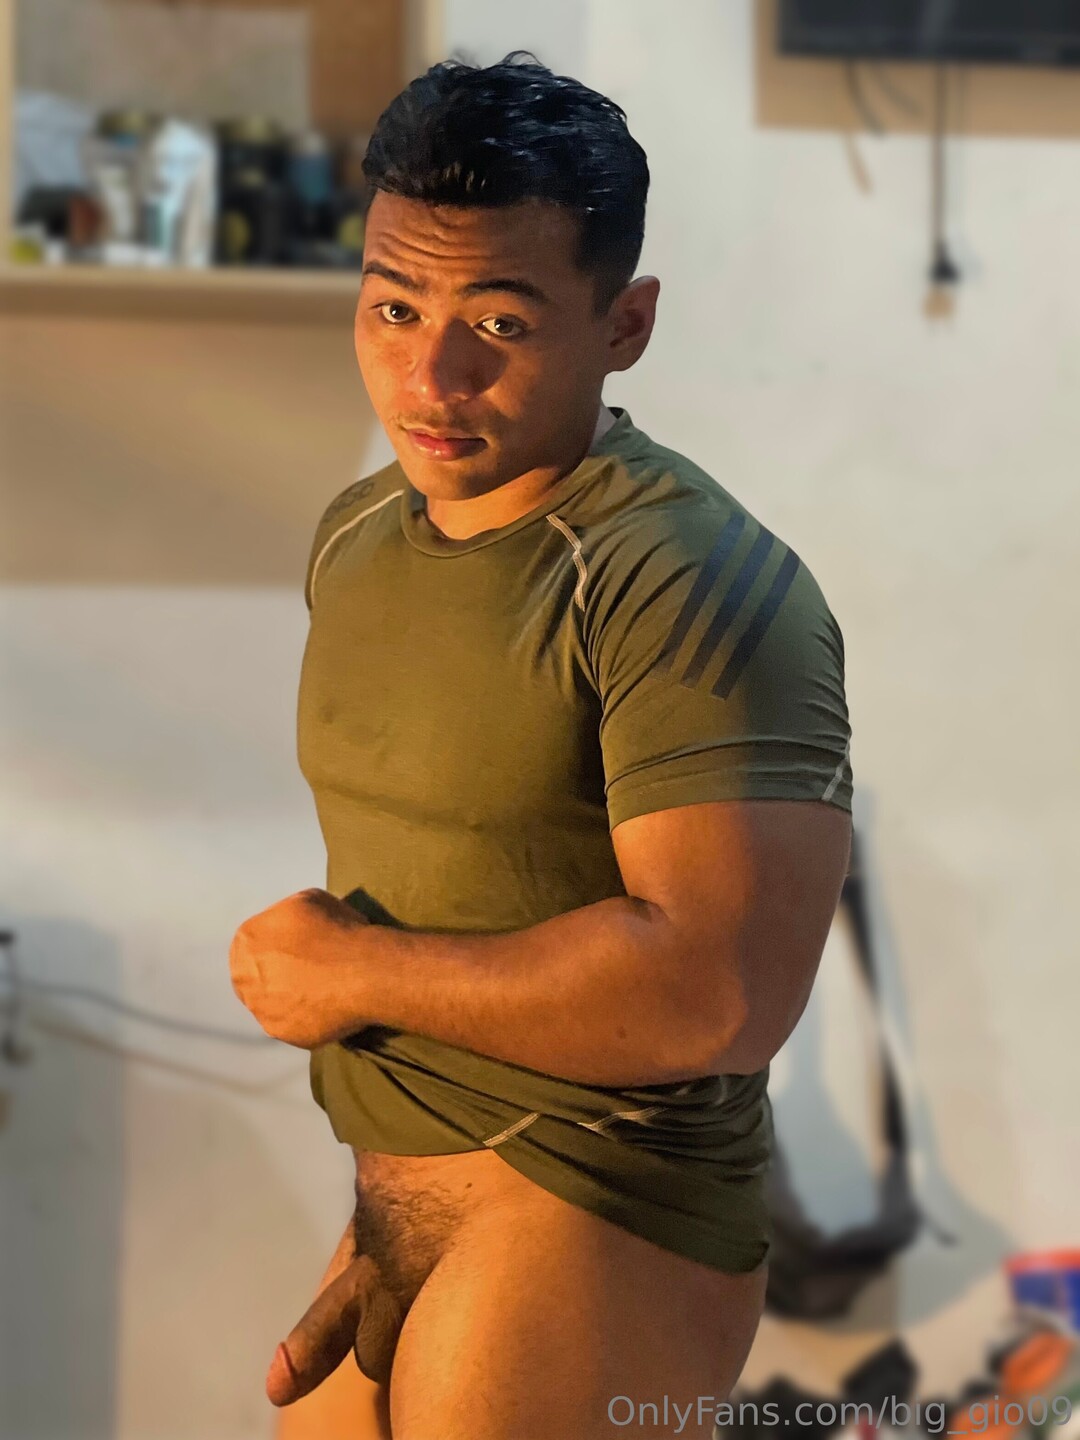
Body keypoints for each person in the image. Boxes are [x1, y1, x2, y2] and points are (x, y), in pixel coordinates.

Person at [229, 50, 854, 1440]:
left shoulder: (682, 575)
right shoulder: (358, 534)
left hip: (599, 1205)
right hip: (393, 1198)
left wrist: (351, 973)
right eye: (395, 308)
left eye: (500, 324)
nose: (432, 372)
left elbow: (718, 992)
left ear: (625, 324)